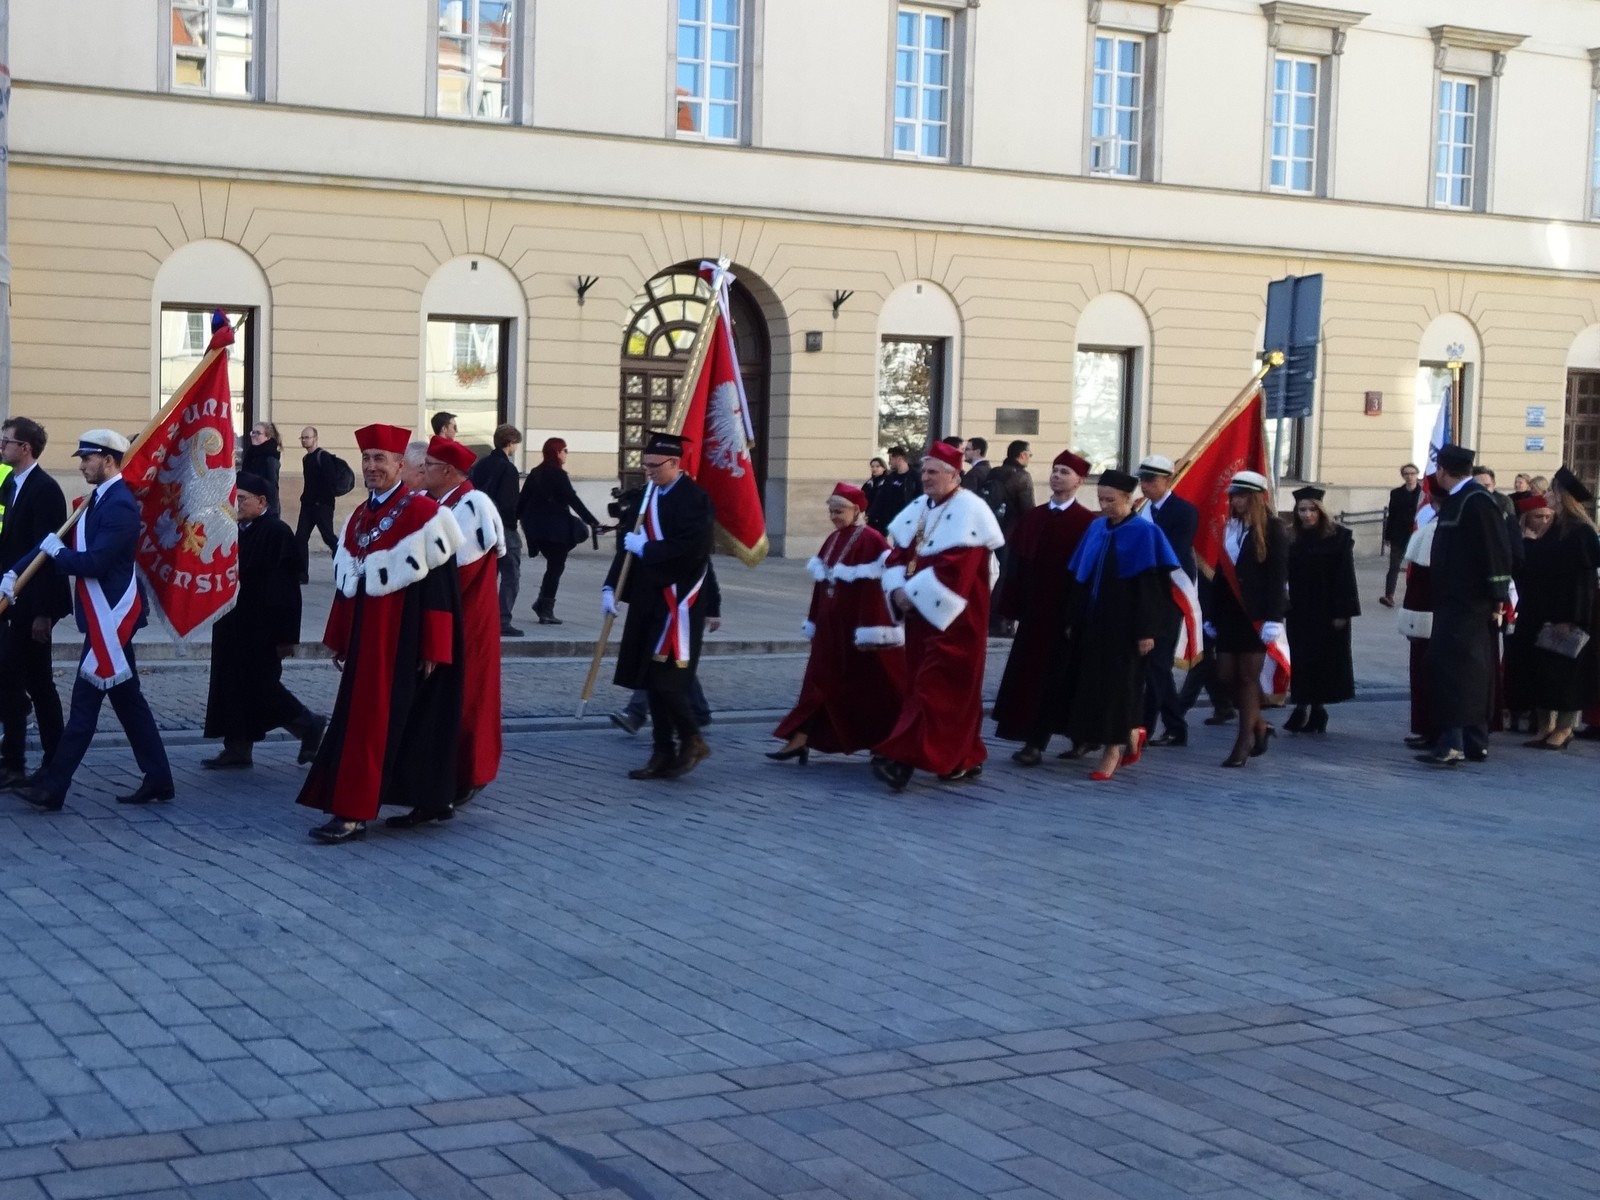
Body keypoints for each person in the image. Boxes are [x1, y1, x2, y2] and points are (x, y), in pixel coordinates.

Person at [296, 424, 463, 842]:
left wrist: (434, 645)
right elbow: (347, 582)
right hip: (366, 640)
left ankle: (353, 812)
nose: (372, 466)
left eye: (380, 459)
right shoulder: (358, 515)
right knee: (365, 720)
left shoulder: (426, 515)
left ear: (401, 465)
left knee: (393, 722)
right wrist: (340, 637)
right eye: (367, 459)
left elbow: (442, 589)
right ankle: (410, 800)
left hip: (404, 637)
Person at [9, 430, 175, 812]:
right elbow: (53, 541)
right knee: (129, 702)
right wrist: (14, 573)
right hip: (102, 618)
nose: (82, 466)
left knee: (83, 708)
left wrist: (58, 554)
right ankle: (159, 777)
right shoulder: (96, 499)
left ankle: (54, 787)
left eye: (87, 459)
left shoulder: (120, 506)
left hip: (112, 620)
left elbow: (95, 563)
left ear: (109, 460)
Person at [872, 441, 1005, 791]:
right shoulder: (921, 507)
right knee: (926, 687)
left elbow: (957, 571)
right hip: (920, 618)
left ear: (954, 475)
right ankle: (964, 756)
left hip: (956, 621)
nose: (926, 477)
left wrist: (910, 594)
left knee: (939, 690)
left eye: (933, 472)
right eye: (924, 471)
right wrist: (896, 589)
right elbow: (898, 554)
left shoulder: (970, 510)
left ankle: (901, 759)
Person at [603, 432, 715, 780]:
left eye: (654, 466)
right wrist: (611, 586)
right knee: (649, 678)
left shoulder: (694, 498)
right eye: (645, 465)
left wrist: (649, 549)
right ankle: (662, 750)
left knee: (667, 679)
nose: (648, 471)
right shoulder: (647, 496)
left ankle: (692, 739)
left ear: (674, 463)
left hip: (678, 600)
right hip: (647, 597)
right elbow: (628, 544)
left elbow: (694, 549)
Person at [1058, 470, 1181, 781]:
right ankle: (1128, 733)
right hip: (1094, 620)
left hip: (1127, 625)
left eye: (1110, 500)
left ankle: (1113, 749)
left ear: (1128, 498)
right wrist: (1073, 617)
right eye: (1100, 499)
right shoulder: (1096, 527)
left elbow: (1152, 588)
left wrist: (1146, 630)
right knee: (1093, 684)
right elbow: (1080, 576)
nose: (1104, 506)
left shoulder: (1145, 533)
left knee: (1121, 687)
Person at [770, 483, 906, 762]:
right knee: (818, 681)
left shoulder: (872, 539)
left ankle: (888, 741)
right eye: (831, 511)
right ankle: (801, 737)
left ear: (856, 510)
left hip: (858, 630)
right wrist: (814, 619)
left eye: (839, 511)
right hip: (830, 628)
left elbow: (876, 590)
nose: (833, 517)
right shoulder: (833, 539)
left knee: (874, 687)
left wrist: (872, 629)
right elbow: (821, 587)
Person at [200, 472, 325, 769]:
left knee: (261, 687)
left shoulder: (276, 532)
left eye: (242, 498)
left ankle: (308, 724)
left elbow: (288, 592)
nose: (236, 504)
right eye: (233, 498)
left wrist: (287, 636)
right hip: (231, 623)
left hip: (263, 628)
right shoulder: (230, 529)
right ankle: (237, 747)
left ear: (261, 501)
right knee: (230, 686)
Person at [991, 449, 1096, 764]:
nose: (1057, 476)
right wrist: (1010, 608)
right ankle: (1033, 742)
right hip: (1035, 614)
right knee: (1033, 678)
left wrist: (1078, 615)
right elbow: (1016, 565)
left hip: (1067, 615)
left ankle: (1080, 736)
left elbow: (1088, 574)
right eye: (1055, 470)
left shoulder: (1086, 522)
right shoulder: (1033, 517)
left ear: (1079, 481)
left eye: (1065, 472)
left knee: (1067, 678)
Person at [1417, 443, 1513, 767]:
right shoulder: (1461, 499)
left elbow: (1496, 551)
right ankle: (1473, 740)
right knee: (1467, 670)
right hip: (1453, 601)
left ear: (1443, 471)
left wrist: (1498, 597)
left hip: (1468, 602)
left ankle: (1453, 742)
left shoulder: (1476, 501)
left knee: (1455, 670)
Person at [423, 435, 505, 806]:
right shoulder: (438, 502)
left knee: (471, 695)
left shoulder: (472, 505)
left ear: (448, 471)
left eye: (428, 465)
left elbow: (459, 571)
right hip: (447, 614)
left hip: (468, 618)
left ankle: (472, 771)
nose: (422, 470)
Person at [0, 417, 71, 788]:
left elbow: (48, 554)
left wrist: (43, 614)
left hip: (34, 603)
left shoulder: (45, 490)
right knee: (18, 681)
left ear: (25, 448)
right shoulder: (10, 484)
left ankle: (43, 762)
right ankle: (20, 760)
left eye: (6, 442)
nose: (1, 447)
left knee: (33, 683)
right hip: (10, 598)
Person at [1209, 471, 1289, 768]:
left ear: (1256, 498)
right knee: (1225, 675)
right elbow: (1220, 574)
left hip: (1256, 615)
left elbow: (1278, 577)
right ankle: (1260, 725)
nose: (1236, 501)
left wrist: (1274, 618)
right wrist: (1212, 614)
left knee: (1247, 677)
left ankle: (1244, 741)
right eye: (1233, 496)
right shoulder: (1230, 527)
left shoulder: (1273, 528)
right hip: (1229, 612)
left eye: (1242, 496)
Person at [1516, 468, 1599, 750]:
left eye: (1552, 491)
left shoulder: (1581, 532)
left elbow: (1583, 582)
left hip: (1566, 615)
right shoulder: (1553, 527)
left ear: (1563, 496)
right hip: (1542, 612)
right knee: (1543, 672)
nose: (1547, 496)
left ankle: (1564, 728)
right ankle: (1545, 726)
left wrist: (1570, 618)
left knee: (1566, 675)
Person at [1283, 486, 1359, 734]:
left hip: (1327, 611)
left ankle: (1317, 708)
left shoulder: (1338, 537)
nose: (1307, 515)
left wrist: (1342, 612)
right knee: (1300, 659)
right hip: (1299, 610)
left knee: (1322, 661)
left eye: (1312, 510)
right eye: (1302, 510)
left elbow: (1345, 577)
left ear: (1321, 511)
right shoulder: (1291, 538)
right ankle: (1301, 705)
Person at [1136, 454, 1198, 747]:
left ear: (1168, 480)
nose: (1144, 485)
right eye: (1142, 479)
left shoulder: (1184, 511)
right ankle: (1174, 726)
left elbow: (1172, 552)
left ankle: (1145, 727)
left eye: (1151, 479)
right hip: (1145, 594)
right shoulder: (1141, 510)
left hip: (1170, 594)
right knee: (1153, 664)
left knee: (1157, 662)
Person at [518, 437, 600, 625]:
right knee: (555, 568)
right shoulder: (558, 474)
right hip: (556, 531)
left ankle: (542, 604)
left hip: (538, 530)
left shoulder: (536, 473)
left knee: (553, 567)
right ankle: (545, 609)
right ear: (557, 452)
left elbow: (522, 500)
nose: (566, 454)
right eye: (564, 450)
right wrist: (592, 521)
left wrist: (517, 521)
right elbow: (573, 500)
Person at [1504, 492, 1554, 735]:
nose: (1544, 521)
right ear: (1526, 518)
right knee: (1517, 662)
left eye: (1547, 517)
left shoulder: (1552, 543)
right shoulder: (1519, 544)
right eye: (1538, 516)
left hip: (1542, 610)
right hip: (1520, 608)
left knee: (1539, 664)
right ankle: (1515, 710)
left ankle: (1537, 714)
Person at [469, 423, 524, 636]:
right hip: (503, 527)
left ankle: (481, 616)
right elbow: (509, 503)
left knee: (487, 574)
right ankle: (502, 619)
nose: (516, 448)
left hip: (480, 525)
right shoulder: (508, 469)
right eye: (516, 444)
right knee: (511, 574)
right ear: (510, 443)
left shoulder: (481, 465)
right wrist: (512, 524)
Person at [295, 426, 340, 585]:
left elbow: (331, 482)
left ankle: (344, 563)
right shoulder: (306, 459)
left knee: (329, 537)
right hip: (307, 505)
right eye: (302, 438)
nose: (304, 440)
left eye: (307, 437)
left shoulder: (323, 457)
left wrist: (321, 501)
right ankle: (302, 575)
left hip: (322, 506)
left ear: (315, 438)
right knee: (300, 538)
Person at [1380, 463, 1421, 607]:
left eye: (1412, 473)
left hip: (1416, 535)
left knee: (1416, 568)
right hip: (1398, 534)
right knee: (1394, 566)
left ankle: (1414, 597)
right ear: (1403, 476)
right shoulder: (1396, 493)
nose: (1409, 477)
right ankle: (1389, 595)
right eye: (1406, 474)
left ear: (1417, 475)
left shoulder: (1423, 494)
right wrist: (1387, 535)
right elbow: (1392, 515)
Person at [865, 447, 915, 534]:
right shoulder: (890, 478)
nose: (889, 462)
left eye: (891, 459)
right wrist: (870, 514)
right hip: (892, 521)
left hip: (909, 520)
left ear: (899, 459)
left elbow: (920, 497)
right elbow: (881, 497)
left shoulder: (914, 476)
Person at [241, 421, 284, 519]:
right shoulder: (251, 453)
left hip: (264, 506)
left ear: (267, 437)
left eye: (258, 433)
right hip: (250, 502)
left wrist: (273, 513)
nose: (254, 435)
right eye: (253, 432)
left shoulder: (270, 457)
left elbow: (272, 487)